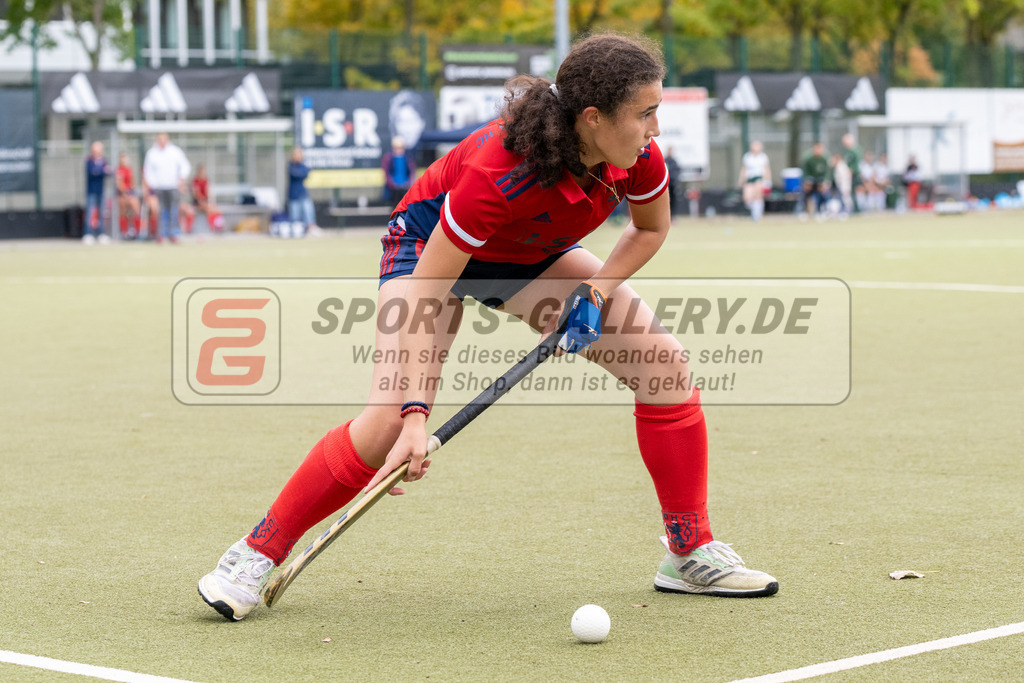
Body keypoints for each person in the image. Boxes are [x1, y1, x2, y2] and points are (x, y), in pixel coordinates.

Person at [198, 34, 778, 622]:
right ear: (594, 118)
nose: (656, 129)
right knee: (384, 424)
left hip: (525, 256)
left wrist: (596, 290)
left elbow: (650, 230)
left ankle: (689, 550)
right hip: (429, 249)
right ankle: (255, 553)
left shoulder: (639, 160)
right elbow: (428, 291)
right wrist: (416, 416)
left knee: (662, 364)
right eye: (646, 114)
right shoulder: (500, 172)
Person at [142, 133, 191, 243]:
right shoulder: (152, 153)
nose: (162, 141)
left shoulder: (175, 151)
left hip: (173, 186)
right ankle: (161, 234)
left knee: (174, 210)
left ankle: (174, 234)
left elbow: (185, 166)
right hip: (159, 188)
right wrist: (152, 184)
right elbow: (148, 171)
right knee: (161, 211)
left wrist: (181, 179)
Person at [84, 141, 111, 244]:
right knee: (90, 213)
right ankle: (88, 234)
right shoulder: (89, 160)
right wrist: (101, 170)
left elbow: (107, 173)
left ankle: (100, 234)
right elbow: (92, 173)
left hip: (101, 191)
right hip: (91, 191)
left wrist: (100, 171)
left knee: (101, 213)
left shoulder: (103, 160)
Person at [739, 140, 771, 222]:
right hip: (750, 179)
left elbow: (767, 169)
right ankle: (753, 211)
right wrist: (741, 180)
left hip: (759, 178)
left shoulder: (763, 157)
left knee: (758, 197)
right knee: (747, 197)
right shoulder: (747, 157)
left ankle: (757, 216)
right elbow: (744, 169)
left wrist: (767, 181)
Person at [381, 136, 416, 209]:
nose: (399, 150)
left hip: (405, 187)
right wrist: (392, 183)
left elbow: (412, 172)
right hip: (392, 189)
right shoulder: (388, 158)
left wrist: (408, 183)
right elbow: (386, 174)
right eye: (397, 148)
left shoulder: (408, 158)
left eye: (401, 147)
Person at [288, 147, 318, 232]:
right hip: (293, 194)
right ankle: (296, 230)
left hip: (303, 193)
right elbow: (297, 174)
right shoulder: (291, 165)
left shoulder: (303, 165)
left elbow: (305, 173)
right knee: (295, 216)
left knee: (308, 211)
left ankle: (311, 227)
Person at [115, 152, 142, 240]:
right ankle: (124, 232)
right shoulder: (119, 170)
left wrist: (131, 194)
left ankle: (136, 231)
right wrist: (124, 193)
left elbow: (132, 183)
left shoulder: (129, 169)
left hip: (130, 192)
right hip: (122, 193)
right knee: (123, 212)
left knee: (136, 209)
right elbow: (119, 184)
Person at [190, 164, 224, 233]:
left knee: (216, 209)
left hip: (205, 201)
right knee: (210, 209)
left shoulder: (206, 180)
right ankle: (213, 228)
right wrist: (202, 202)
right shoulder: (195, 181)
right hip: (198, 202)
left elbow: (208, 192)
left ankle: (218, 227)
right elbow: (196, 194)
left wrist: (211, 202)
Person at [799, 142, 830, 218]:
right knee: (805, 194)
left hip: (821, 181)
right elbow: (805, 171)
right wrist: (806, 182)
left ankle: (821, 211)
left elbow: (828, 172)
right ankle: (803, 212)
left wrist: (825, 182)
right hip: (811, 180)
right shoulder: (809, 159)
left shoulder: (825, 159)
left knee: (823, 194)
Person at [841, 133, 863, 213]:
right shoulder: (848, 151)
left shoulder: (854, 151)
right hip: (849, 174)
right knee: (851, 192)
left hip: (853, 174)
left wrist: (851, 172)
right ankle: (853, 208)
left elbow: (854, 164)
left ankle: (856, 209)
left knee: (854, 191)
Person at [828, 153, 852, 218]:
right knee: (842, 199)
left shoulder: (841, 166)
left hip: (843, 186)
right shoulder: (839, 166)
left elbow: (843, 178)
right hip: (841, 185)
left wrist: (844, 187)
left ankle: (846, 212)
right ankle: (842, 211)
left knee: (845, 199)